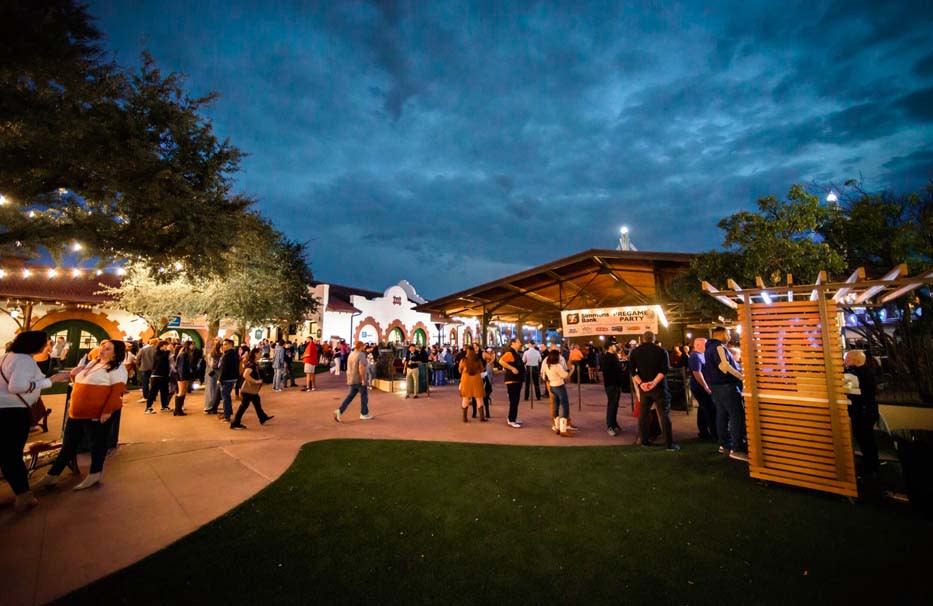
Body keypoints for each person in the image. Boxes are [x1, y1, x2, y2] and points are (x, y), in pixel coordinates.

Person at [36, 339, 128, 491]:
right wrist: (73, 375)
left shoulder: (117, 369)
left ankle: (94, 474)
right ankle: (52, 475)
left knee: (97, 444)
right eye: (102, 347)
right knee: (68, 445)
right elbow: (79, 381)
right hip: (76, 412)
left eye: (107, 349)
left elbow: (116, 392)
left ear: (115, 353)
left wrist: (107, 411)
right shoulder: (92, 363)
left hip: (95, 413)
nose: (102, 350)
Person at [0, 331, 56, 511]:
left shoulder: (6, 357)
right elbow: (16, 386)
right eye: (46, 342)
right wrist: (50, 381)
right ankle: (23, 495)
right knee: (12, 455)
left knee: (6, 453)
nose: (47, 346)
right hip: (13, 413)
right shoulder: (24, 360)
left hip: (4, 409)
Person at [629, 331, 679, 451]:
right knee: (664, 415)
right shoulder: (661, 351)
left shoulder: (635, 351)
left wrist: (641, 383)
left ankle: (644, 441)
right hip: (659, 388)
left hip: (644, 389)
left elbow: (632, 371)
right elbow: (664, 370)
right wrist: (654, 383)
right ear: (654, 338)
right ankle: (669, 444)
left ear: (643, 339)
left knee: (643, 415)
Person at [703, 327, 747, 461]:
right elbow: (725, 366)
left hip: (716, 387)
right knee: (736, 415)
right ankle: (737, 448)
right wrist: (741, 377)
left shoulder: (708, 348)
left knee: (722, 415)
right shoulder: (719, 347)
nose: (729, 337)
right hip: (726, 386)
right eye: (728, 334)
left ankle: (724, 444)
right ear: (721, 334)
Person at [844, 350, 879, 476]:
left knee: (866, 440)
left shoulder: (864, 374)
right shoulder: (860, 372)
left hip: (864, 412)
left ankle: (871, 468)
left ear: (856, 360)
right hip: (865, 411)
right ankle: (870, 465)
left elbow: (864, 393)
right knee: (864, 439)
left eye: (847, 358)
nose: (845, 361)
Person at [230, 348, 273, 429]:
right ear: (255, 354)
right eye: (260, 353)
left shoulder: (254, 363)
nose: (261, 355)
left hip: (251, 390)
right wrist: (255, 381)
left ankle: (262, 417)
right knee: (244, 406)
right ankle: (235, 423)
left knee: (256, 401)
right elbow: (245, 375)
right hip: (248, 390)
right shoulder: (251, 364)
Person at [333, 341, 373, 422]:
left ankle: (340, 411)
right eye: (363, 346)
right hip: (359, 379)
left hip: (351, 379)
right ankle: (364, 413)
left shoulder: (351, 354)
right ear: (361, 346)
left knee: (350, 397)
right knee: (364, 396)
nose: (364, 347)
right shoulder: (361, 354)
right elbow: (361, 367)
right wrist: (363, 380)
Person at [688, 338, 717, 441]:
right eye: (706, 344)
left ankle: (703, 432)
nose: (707, 346)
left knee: (703, 408)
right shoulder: (695, 356)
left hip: (702, 387)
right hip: (700, 388)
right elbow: (697, 373)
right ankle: (714, 434)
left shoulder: (701, 355)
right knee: (709, 409)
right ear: (698, 345)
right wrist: (706, 387)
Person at [542, 348, 572, 436]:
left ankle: (557, 426)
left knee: (556, 406)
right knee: (565, 406)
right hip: (559, 386)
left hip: (552, 386)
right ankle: (563, 430)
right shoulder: (557, 366)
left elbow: (544, 376)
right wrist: (571, 369)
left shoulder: (547, 365)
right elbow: (565, 375)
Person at [498, 338, 525, 428]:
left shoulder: (516, 353)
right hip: (512, 380)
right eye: (518, 342)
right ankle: (511, 420)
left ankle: (513, 418)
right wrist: (512, 368)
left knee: (516, 400)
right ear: (513, 343)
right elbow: (501, 361)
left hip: (517, 380)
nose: (520, 343)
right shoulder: (510, 353)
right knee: (514, 400)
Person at [601, 343, 625, 436]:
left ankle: (614, 423)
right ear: (610, 347)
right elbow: (609, 372)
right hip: (611, 385)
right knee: (612, 405)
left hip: (616, 384)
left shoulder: (614, 356)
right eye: (614, 345)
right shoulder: (607, 357)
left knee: (615, 405)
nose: (616, 347)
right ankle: (610, 426)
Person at [459, 348, 487, 422]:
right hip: (476, 380)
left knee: (465, 398)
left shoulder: (463, 360)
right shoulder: (478, 360)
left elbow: (460, 370)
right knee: (479, 398)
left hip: (466, 380)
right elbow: (482, 369)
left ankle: (464, 418)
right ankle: (482, 417)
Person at [145, 340, 172, 413]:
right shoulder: (157, 353)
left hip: (164, 376)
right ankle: (148, 408)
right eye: (166, 345)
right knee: (153, 393)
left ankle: (164, 406)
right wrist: (168, 351)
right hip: (157, 376)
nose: (167, 347)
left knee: (164, 392)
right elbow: (161, 360)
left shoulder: (164, 353)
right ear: (161, 346)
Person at [173, 341, 194, 416]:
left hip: (183, 375)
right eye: (192, 344)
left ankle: (178, 410)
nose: (193, 346)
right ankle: (177, 410)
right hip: (182, 376)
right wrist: (182, 377)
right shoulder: (183, 354)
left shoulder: (184, 353)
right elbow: (181, 367)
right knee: (181, 392)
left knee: (183, 392)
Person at [136, 337, 157, 404]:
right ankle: (153, 396)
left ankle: (146, 397)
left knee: (145, 383)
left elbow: (138, 358)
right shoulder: (157, 350)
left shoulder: (143, 349)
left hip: (144, 368)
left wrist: (139, 366)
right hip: (154, 369)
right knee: (153, 383)